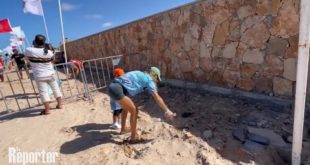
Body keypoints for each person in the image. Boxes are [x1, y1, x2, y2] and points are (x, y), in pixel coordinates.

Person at [108, 66, 176, 143]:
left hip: (112, 87)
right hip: (117, 89)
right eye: (157, 78)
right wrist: (167, 110)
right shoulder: (149, 79)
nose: (156, 81)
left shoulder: (139, 73)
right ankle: (134, 137)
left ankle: (123, 129)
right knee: (134, 110)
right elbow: (157, 97)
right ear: (154, 75)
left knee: (126, 108)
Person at [25, 34, 62, 115]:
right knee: (56, 89)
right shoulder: (49, 52)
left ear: (35, 42)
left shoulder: (29, 50)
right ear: (44, 42)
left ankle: (47, 110)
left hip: (39, 75)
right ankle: (60, 105)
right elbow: (53, 61)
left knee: (43, 92)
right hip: (51, 74)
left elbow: (27, 58)